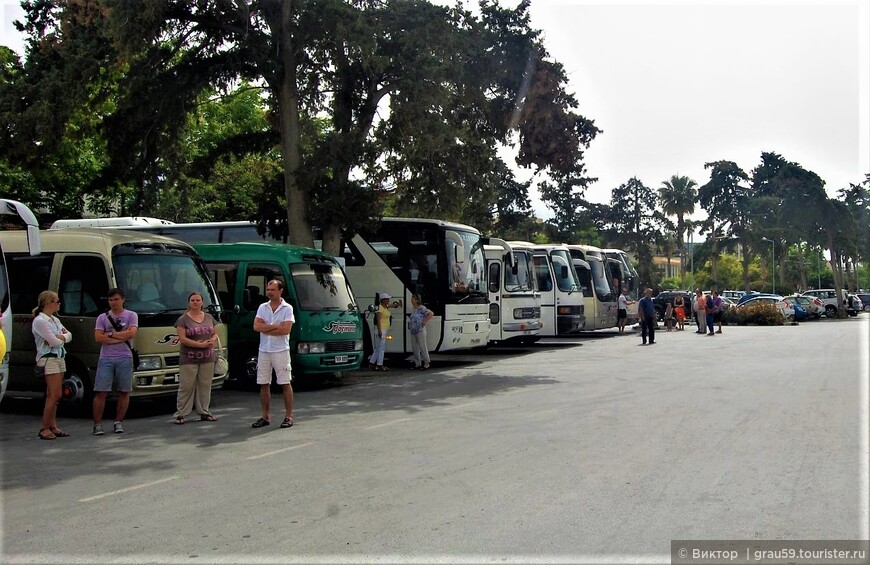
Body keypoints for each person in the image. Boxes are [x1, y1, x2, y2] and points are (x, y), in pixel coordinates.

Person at [93, 288, 138, 435]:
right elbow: (99, 337)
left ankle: (119, 421)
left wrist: (111, 335)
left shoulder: (131, 315)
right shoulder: (102, 317)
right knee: (101, 391)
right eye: (111, 300)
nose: (113, 303)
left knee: (124, 391)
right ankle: (97, 424)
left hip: (125, 356)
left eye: (116, 299)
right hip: (106, 357)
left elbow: (131, 333)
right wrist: (120, 336)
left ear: (123, 300)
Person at [251, 280, 295, 429]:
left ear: (280, 291)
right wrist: (274, 326)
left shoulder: (287, 308)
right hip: (264, 350)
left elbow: (285, 330)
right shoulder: (262, 307)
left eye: (273, 290)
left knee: (284, 382)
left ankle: (288, 416)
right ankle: (265, 416)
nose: (269, 292)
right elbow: (256, 326)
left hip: (280, 350)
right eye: (268, 289)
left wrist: (266, 328)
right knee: (263, 383)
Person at [32, 291, 73, 440]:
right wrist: (59, 339)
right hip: (49, 359)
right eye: (57, 301)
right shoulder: (40, 321)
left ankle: (52, 425)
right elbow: (53, 341)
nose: (59, 303)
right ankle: (44, 428)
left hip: (59, 357)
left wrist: (60, 338)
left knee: (54, 394)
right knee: (54, 394)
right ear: (49, 303)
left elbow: (69, 335)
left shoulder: (54, 320)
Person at [173, 291, 218, 424]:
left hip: (207, 357)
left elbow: (215, 333)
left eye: (198, 300)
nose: (195, 302)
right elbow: (182, 339)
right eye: (193, 300)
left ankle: (204, 411)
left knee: (205, 385)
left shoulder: (209, 317)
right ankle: (181, 414)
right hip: (189, 358)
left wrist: (212, 340)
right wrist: (200, 345)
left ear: (202, 302)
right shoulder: (183, 320)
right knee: (186, 385)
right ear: (189, 303)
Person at [407, 293, 434, 370]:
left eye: (413, 298)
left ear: (417, 300)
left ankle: (427, 363)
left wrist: (424, 322)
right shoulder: (413, 309)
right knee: (415, 348)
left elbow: (431, 314)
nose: (411, 300)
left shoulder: (421, 308)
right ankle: (417, 364)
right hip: (413, 331)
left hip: (420, 330)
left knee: (422, 347)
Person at [369, 292, 394, 371]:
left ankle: (372, 363)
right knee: (381, 348)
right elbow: (378, 320)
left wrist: (397, 304)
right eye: (387, 299)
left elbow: (391, 305)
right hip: (381, 330)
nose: (388, 300)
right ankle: (380, 364)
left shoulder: (385, 307)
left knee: (378, 348)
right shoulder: (380, 308)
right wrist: (380, 331)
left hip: (384, 329)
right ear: (383, 300)